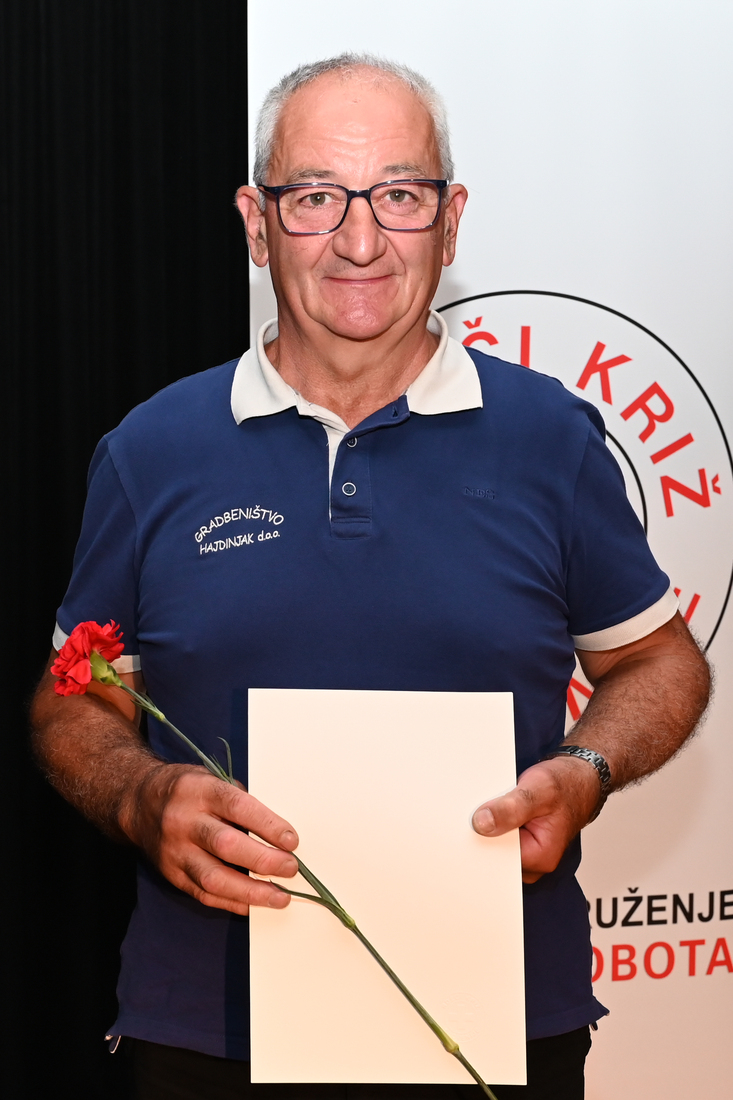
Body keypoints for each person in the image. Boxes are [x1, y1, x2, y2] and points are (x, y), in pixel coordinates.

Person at [31, 53, 710, 1100]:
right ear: (257, 223)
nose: (360, 241)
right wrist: (139, 794)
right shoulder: (150, 450)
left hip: (497, 1026)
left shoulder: (552, 438)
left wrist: (584, 768)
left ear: (451, 221)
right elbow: (73, 699)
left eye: (399, 195)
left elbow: (661, 664)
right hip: (206, 1035)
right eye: (316, 197)